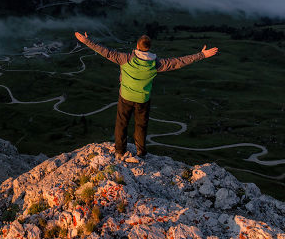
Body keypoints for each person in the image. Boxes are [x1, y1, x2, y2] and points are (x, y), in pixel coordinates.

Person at [74, 31, 218, 159]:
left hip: (125, 97)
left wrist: (87, 41)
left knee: (121, 124)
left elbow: (105, 51)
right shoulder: (156, 64)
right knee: (141, 126)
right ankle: (141, 153)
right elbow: (179, 62)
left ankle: (119, 152)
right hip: (143, 100)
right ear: (149, 47)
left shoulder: (125, 59)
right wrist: (202, 55)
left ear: (137, 46)